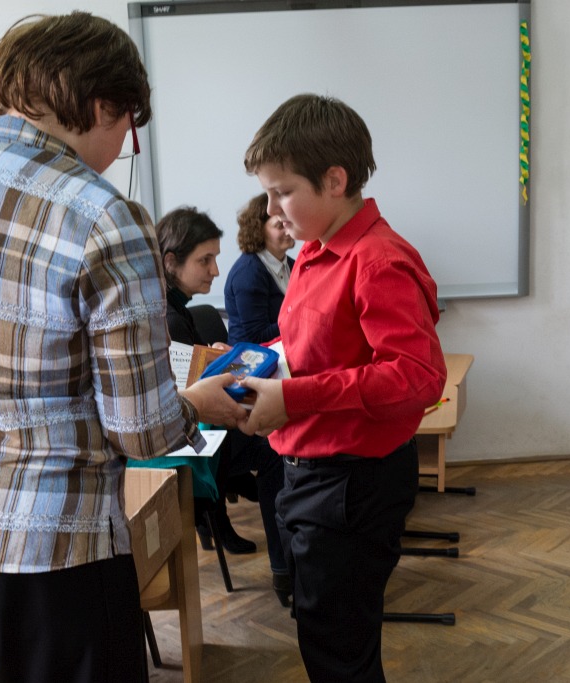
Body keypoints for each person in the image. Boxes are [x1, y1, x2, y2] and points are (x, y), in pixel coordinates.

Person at [0, 13, 247, 683]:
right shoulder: (102, 213)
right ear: (103, 105)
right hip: (41, 548)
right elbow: (141, 429)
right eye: (128, 126)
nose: (125, 146)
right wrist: (196, 404)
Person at [238, 94, 448, 682]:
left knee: (338, 651)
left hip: (350, 484)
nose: (272, 210)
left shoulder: (376, 261)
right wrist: (260, 368)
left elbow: (417, 376)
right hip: (314, 476)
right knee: (326, 632)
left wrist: (293, 398)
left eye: (282, 192)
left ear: (335, 180)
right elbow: (313, 345)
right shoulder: (314, 250)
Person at [156, 206, 291, 606]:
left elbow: (190, 379)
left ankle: (281, 561)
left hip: (198, 429)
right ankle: (285, 571)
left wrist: (216, 359)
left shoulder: (174, 309)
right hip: (188, 444)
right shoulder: (168, 318)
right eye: (205, 260)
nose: (216, 271)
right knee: (274, 448)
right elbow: (186, 397)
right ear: (171, 262)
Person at [224, 193, 296, 344]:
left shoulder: (294, 264)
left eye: (289, 222)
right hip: (250, 356)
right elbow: (258, 336)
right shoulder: (248, 273)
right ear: (258, 230)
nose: (288, 230)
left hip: (284, 349)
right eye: (280, 225)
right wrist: (301, 319)